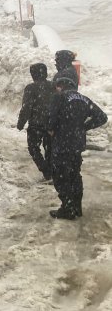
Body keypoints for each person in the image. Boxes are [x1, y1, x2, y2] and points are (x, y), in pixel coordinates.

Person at [47, 76, 107, 220]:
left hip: (62, 142)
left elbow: (51, 121)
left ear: (61, 86)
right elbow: (102, 117)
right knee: (74, 174)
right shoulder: (84, 99)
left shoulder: (59, 97)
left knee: (60, 175)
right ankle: (76, 207)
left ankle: (67, 209)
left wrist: (52, 129)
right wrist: (83, 127)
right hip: (77, 143)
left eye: (57, 86)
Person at [16, 63, 55, 181]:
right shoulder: (53, 86)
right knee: (50, 148)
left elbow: (27, 107)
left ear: (33, 74)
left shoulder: (31, 88)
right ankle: (52, 172)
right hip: (51, 124)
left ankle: (46, 171)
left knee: (33, 148)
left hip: (36, 124)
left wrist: (21, 123)